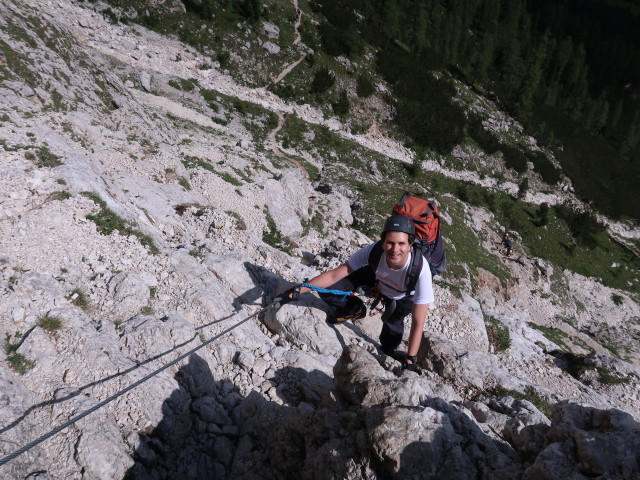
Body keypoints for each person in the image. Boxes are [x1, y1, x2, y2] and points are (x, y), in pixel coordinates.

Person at [282, 215, 434, 370]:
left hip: (402, 297)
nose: (395, 249)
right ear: (383, 242)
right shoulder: (374, 252)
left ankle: (388, 351)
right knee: (330, 288)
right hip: (377, 282)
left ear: (410, 245)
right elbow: (334, 275)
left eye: (401, 243)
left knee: (391, 334)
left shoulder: (420, 270)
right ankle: (354, 309)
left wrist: (410, 360)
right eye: (390, 243)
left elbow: (418, 321)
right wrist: (298, 289)